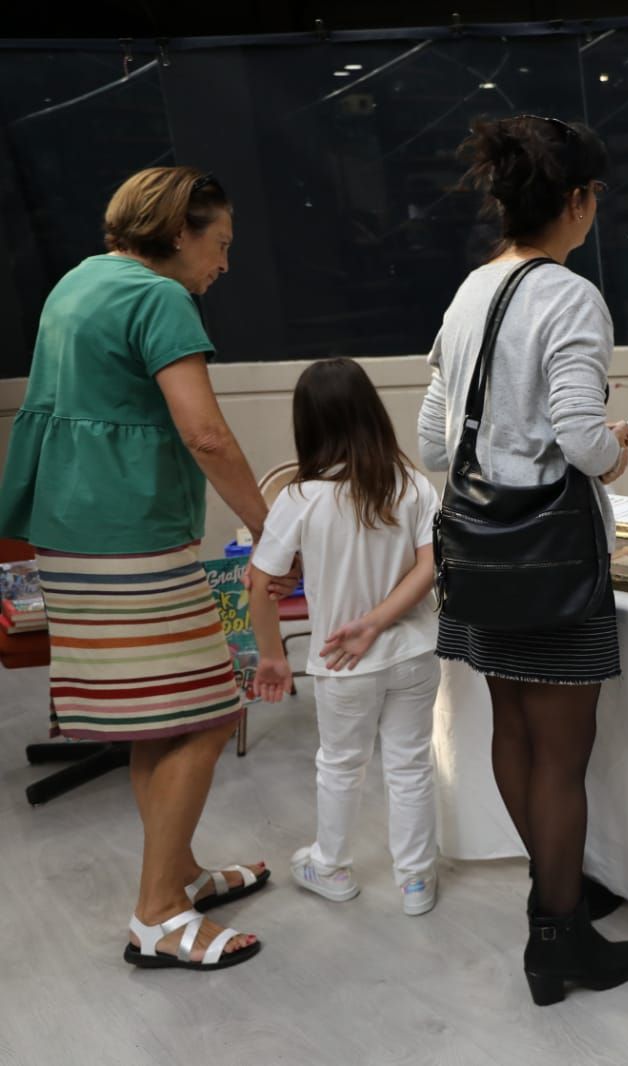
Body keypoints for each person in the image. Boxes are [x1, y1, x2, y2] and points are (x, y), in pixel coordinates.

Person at [0, 167, 278, 969]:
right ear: (178, 232)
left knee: (154, 716)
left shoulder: (79, 282)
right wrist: (271, 526)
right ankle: (157, 913)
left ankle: (180, 873)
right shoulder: (160, 299)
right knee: (207, 712)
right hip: (132, 539)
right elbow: (206, 435)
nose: (223, 263)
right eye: (218, 243)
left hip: (71, 531)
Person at [416, 113, 628, 1005]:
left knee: (511, 729)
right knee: (563, 752)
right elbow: (584, 441)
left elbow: (434, 443)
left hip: (476, 551)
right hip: (551, 557)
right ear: (580, 202)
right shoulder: (571, 297)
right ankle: (558, 939)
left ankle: (553, 890)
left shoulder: (470, 292)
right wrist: (616, 446)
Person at [248, 358, 443, 916]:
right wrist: (380, 621)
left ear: (307, 422)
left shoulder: (300, 497)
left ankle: (329, 866)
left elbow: (260, 580)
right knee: (409, 764)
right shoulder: (410, 484)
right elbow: (431, 566)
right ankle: (416, 880)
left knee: (340, 763)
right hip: (413, 652)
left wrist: (271, 658)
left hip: (341, 660)